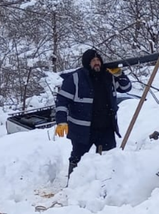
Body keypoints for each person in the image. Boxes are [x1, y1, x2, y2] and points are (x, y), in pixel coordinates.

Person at [55, 49, 132, 177]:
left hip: (106, 127)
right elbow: (62, 101)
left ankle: (107, 184)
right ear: (87, 63)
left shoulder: (108, 75)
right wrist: (61, 121)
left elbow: (126, 88)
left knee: (109, 158)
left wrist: (120, 74)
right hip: (82, 129)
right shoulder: (76, 78)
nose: (97, 63)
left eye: (98, 60)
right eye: (93, 61)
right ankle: (73, 184)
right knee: (77, 157)